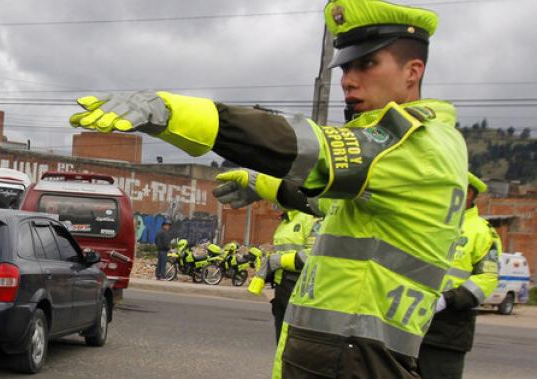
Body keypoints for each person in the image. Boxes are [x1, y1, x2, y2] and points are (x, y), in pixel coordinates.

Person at [68, 1, 467, 376]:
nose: (348, 80)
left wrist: (174, 112)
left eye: (367, 64)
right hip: (347, 355)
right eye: (346, 68)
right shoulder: (394, 158)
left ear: (412, 72)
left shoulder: (416, 144)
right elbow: (328, 202)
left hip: (357, 360)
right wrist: (263, 185)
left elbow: (303, 145)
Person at [418, 173, 501, 378]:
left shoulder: (481, 231)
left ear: (468, 194)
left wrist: (447, 299)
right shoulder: (427, 223)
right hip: (409, 324)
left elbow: (486, 278)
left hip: (448, 330)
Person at [248, 210, 321, 342]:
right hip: (282, 289)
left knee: (296, 343)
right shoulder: (285, 220)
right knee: (282, 342)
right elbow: (281, 253)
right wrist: (268, 270)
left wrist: (278, 261)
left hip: (301, 290)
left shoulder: (312, 218)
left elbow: (315, 255)